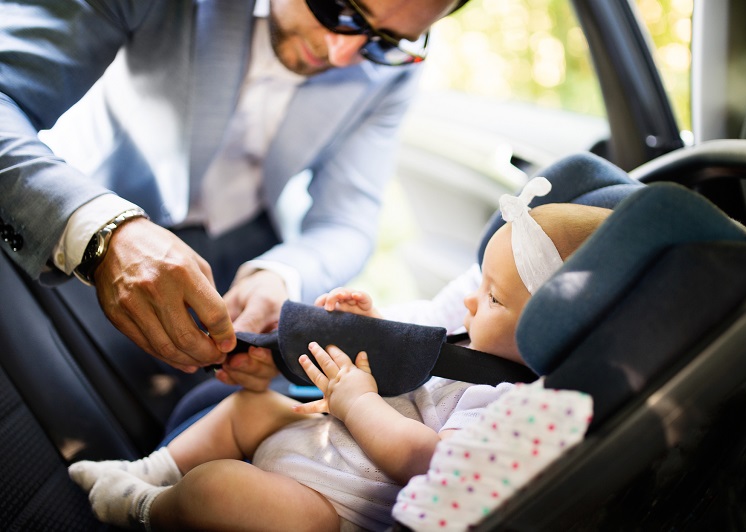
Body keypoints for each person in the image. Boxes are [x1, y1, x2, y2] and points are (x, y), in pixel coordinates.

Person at [68, 178, 612, 531]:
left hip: (327, 509)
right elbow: (415, 362)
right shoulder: (471, 337)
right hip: (317, 439)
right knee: (249, 407)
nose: (471, 298)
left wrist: (355, 405)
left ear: (552, 330)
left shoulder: (508, 406)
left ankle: (139, 507)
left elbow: (426, 459)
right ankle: (148, 469)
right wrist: (370, 328)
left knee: (218, 491)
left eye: (492, 297)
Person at [0, 0, 468, 390]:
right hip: (85, 208)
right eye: (340, 7)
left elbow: (347, 221)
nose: (342, 53)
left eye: (384, 41)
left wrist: (281, 274)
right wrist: (103, 233)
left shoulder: (393, 74)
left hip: (250, 246)